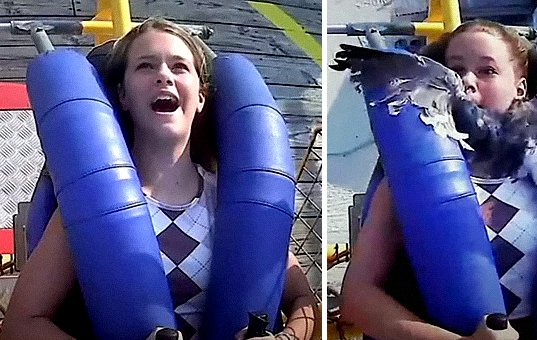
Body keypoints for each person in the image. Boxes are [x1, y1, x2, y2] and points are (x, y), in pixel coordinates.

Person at [1, 18, 316, 340]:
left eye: (179, 67)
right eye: (145, 66)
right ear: (122, 96)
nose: (164, 75)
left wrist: (289, 336)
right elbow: (22, 324)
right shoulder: (90, 208)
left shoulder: (234, 202)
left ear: (201, 96)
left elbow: (303, 301)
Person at [340, 20, 537, 340]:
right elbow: (357, 298)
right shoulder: (411, 182)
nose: (467, 81)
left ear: (520, 87)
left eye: (487, 71)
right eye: (455, 70)